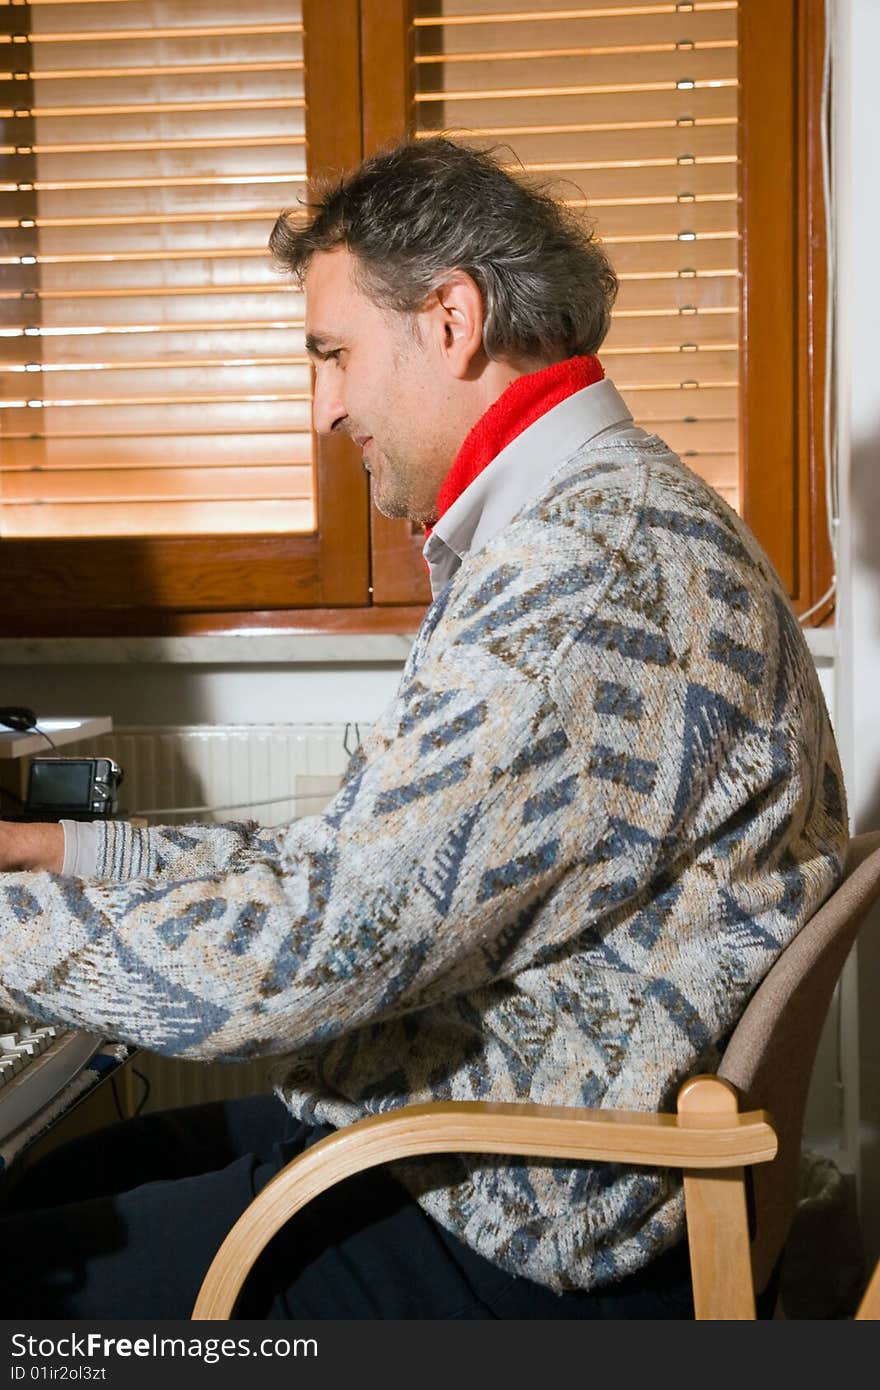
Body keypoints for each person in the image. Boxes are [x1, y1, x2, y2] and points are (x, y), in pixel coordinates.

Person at [0, 137, 847, 1319]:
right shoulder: (602, 520)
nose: (323, 407)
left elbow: (304, 955)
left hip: (530, 1216)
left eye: (333, 354)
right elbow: (353, 869)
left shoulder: (589, 579)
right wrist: (63, 855)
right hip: (520, 1133)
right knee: (69, 1174)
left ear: (450, 317)